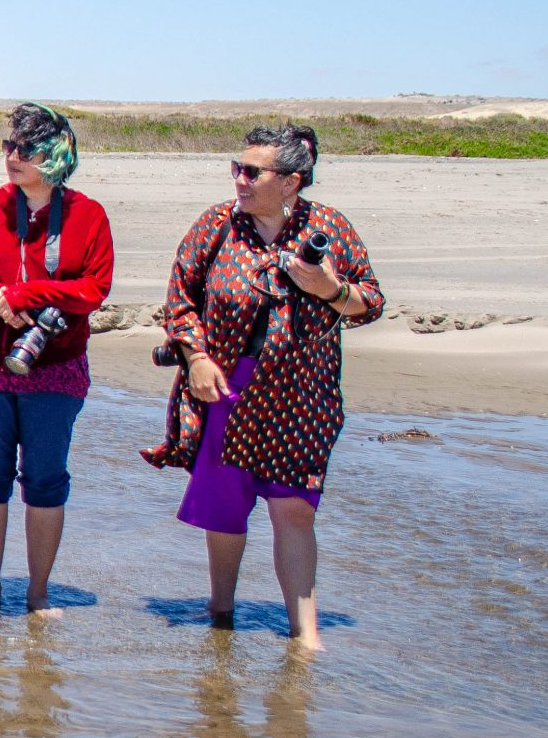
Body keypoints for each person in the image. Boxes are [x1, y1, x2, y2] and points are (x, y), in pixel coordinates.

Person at [142, 123, 384, 651]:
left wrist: (329, 288)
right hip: (226, 383)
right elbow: (179, 300)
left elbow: (370, 302)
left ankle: (306, 637)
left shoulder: (331, 227)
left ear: (292, 181)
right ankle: (221, 615)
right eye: (236, 168)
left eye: (252, 171)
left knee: (295, 507)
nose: (240, 180)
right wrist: (197, 358)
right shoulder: (216, 226)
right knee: (226, 509)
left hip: (301, 393)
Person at [0, 103, 115, 617]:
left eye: (25, 150)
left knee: (45, 479)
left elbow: (94, 289)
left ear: (56, 156)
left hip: (56, 370)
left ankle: (39, 594)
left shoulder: (89, 215)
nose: (12, 157)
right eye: (8, 147)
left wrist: (28, 297)